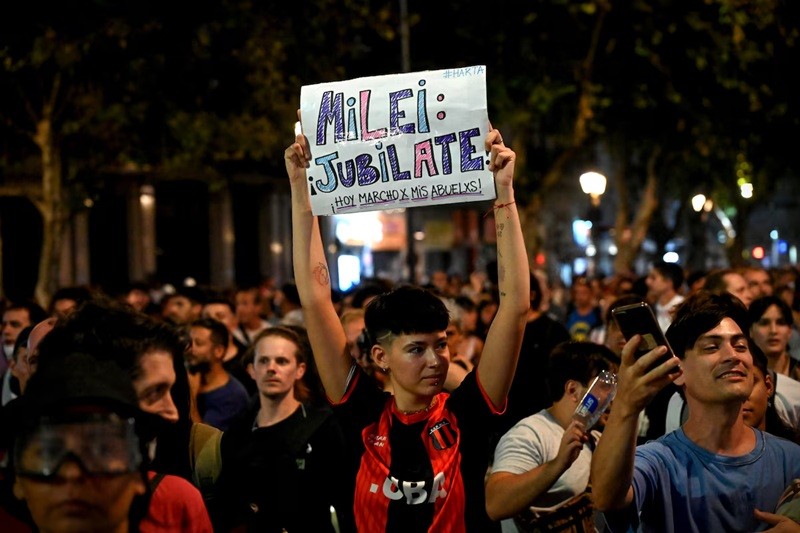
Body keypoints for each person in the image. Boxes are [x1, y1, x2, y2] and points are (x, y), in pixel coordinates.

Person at [286, 124, 529, 532]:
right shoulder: (361, 414)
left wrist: (504, 192)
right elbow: (314, 300)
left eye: (442, 344)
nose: (436, 360)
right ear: (381, 356)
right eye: (417, 349)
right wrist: (300, 189)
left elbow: (516, 307)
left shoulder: (465, 415)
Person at [592, 291, 800, 532]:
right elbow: (606, 498)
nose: (733, 355)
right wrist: (626, 407)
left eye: (740, 345)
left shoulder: (791, 459)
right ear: (678, 372)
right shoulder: (658, 461)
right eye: (712, 347)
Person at [212, 326, 353, 532]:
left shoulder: (322, 427)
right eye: (264, 361)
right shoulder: (238, 432)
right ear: (252, 370)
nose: (272, 368)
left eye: (282, 361)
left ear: (300, 370)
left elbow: (345, 499)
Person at [486, 342, 613, 532]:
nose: (612, 397)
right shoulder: (529, 434)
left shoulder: (595, 439)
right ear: (573, 390)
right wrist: (558, 464)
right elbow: (496, 505)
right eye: (605, 386)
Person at [187, 318, 250, 431]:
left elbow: (202, 443)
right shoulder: (186, 378)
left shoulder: (233, 396)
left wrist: (190, 395)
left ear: (218, 351)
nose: (190, 349)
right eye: (189, 342)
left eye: (198, 343)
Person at [749, 296, 800, 381]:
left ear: (790, 330)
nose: (773, 330)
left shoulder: (798, 372)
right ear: (750, 330)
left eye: (780, 323)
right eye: (764, 323)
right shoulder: (744, 374)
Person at [645, 261, 684, 332]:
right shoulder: (652, 307)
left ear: (669, 282)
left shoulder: (682, 306)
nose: (647, 281)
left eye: (653, 278)